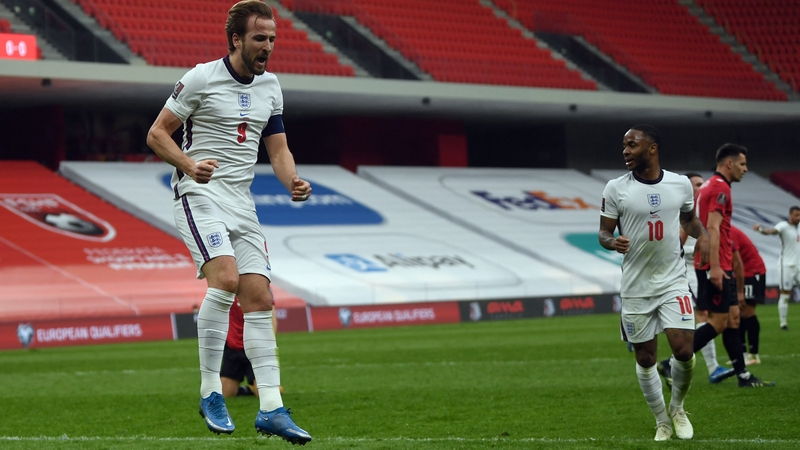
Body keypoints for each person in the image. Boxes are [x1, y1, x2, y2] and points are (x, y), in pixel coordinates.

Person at [146, 1, 312, 444]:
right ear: (236, 39)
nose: (268, 47)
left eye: (273, 39)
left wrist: (292, 178)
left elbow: (277, 149)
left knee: (259, 297)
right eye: (260, 38)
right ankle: (209, 393)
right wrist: (188, 163)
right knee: (224, 278)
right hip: (198, 193)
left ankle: (272, 408)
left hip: (241, 201)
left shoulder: (271, 86)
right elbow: (157, 132)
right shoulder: (201, 76)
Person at [599, 124, 709, 441]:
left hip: (673, 280)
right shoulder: (615, 188)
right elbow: (604, 231)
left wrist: (704, 237)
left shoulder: (680, 185)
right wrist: (611, 241)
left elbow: (689, 218)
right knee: (645, 358)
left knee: (684, 350)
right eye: (623, 145)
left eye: (632, 145)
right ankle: (661, 419)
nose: (625, 151)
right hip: (635, 286)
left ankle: (677, 409)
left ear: (652, 148)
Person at [685, 143, 772, 388]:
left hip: (719, 264)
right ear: (729, 163)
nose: (746, 169)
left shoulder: (710, 187)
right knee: (719, 321)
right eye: (743, 164)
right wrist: (714, 266)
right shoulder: (720, 189)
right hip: (717, 266)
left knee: (734, 318)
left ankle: (743, 375)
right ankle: (673, 362)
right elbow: (712, 228)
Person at [669, 173, 733, 385]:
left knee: (705, 315)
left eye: (701, 184)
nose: (700, 187)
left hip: (698, 267)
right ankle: (711, 367)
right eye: (696, 184)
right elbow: (676, 243)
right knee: (704, 315)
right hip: (688, 270)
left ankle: (712, 366)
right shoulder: (682, 212)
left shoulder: (703, 210)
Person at [754, 206, 800, 330]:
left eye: (799, 215)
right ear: (790, 215)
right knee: (785, 294)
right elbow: (772, 231)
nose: (798, 218)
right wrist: (761, 230)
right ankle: (783, 323)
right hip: (787, 265)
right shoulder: (783, 226)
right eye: (796, 215)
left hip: (799, 265)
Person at [730, 225, 767, 365]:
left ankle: (753, 354)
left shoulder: (729, 232)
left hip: (752, 270)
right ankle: (743, 354)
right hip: (741, 272)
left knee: (747, 312)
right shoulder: (723, 230)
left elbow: (736, 259)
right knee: (738, 313)